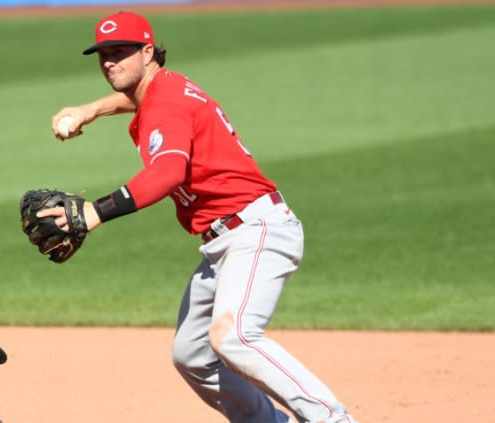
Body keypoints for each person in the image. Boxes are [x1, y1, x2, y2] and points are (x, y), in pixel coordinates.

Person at [47, 11, 358, 423]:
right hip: (224, 241)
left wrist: (94, 212)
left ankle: (332, 419)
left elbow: (166, 174)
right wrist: (90, 109)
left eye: (120, 51)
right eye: (103, 54)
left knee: (233, 337)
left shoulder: (167, 103)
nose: (109, 61)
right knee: (192, 354)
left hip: (256, 230)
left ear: (147, 51)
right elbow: (135, 95)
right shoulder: (165, 88)